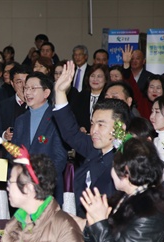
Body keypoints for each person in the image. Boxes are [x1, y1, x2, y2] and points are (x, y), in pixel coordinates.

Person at [53, 61, 131, 217]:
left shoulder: (128, 160)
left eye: (101, 125)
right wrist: (60, 92)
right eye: (92, 123)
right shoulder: (94, 148)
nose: (93, 130)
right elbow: (71, 133)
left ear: (119, 128)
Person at [12, 72, 67, 205]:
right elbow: (14, 153)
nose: (28, 92)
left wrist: (41, 181)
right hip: (24, 186)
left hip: (47, 186)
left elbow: (60, 157)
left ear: (46, 93)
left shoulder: (57, 118)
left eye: (33, 88)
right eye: (26, 88)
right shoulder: (20, 120)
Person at [69, 63, 109, 132]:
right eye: (92, 76)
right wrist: (79, 127)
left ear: (105, 80)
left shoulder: (108, 97)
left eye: (99, 76)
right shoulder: (80, 96)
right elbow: (73, 116)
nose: (95, 79)